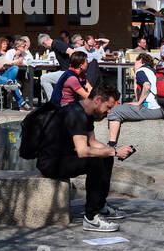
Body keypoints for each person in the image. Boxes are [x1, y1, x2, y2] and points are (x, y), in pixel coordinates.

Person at [36, 82, 133, 232]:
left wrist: (114, 150)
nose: (108, 112)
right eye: (108, 107)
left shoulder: (87, 114)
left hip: (65, 156)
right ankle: (91, 217)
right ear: (97, 100)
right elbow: (82, 151)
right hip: (50, 162)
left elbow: (92, 142)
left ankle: (100, 205)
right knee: (94, 161)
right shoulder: (75, 113)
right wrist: (114, 151)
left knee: (106, 156)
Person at [106, 52, 164, 144]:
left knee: (114, 111)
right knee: (129, 104)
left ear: (141, 61)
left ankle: (111, 145)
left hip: (152, 109)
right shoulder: (152, 71)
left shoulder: (141, 71)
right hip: (161, 108)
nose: (134, 65)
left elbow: (147, 86)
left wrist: (138, 103)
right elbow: (138, 95)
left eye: (135, 62)